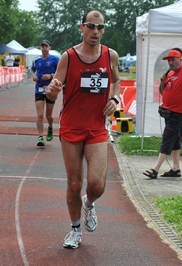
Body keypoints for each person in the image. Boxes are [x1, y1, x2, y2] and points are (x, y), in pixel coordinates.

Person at [46, 9, 120, 249]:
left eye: (100, 27)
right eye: (90, 26)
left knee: (97, 184)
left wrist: (116, 99)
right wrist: (53, 90)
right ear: (82, 28)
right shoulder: (69, 56)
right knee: (75, 183)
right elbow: (52, 88)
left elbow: (116, 81)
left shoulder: (111, 56)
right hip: (71, 128)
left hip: (97, 127)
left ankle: (88, 204)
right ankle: (75, 230)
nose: (95, 31)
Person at [143, 48, 182, 179]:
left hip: (178, 111)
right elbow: (162, 92)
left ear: (180, 59)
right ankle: (175, 168)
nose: (170, 63)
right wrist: (162, 81)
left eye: (173, 60)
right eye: (168, 60)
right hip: (168, 111)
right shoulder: (169, 74)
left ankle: (155, 169)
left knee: (167, 138)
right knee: (174, 139)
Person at [31, 40, 59, 146]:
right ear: (40, 48)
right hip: (39, 88)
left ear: (49, 47)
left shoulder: (55, 59)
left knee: (48, 115)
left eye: (46, 46)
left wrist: (51, 76)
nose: (44, 48)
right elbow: (33, 70)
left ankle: (50, 127)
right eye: (42, 46)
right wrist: (33, 76)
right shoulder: (36, 60)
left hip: (51, 89)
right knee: (40, 114)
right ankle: (40, 136)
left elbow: (60, 72)